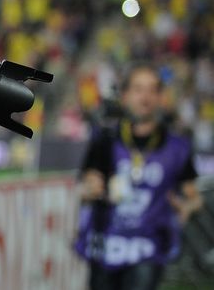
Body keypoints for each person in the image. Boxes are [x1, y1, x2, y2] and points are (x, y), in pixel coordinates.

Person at [75, 63, 203, 290]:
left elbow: (193, 196)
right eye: (138, 89)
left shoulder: (177, 147)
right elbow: (88, 182)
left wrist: (186, 207)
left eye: (152, 90)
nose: (145, 97)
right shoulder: (106, 139)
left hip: (148, 249)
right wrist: (89, 189)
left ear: (161, 97)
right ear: (125, 96)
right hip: (106, 246)